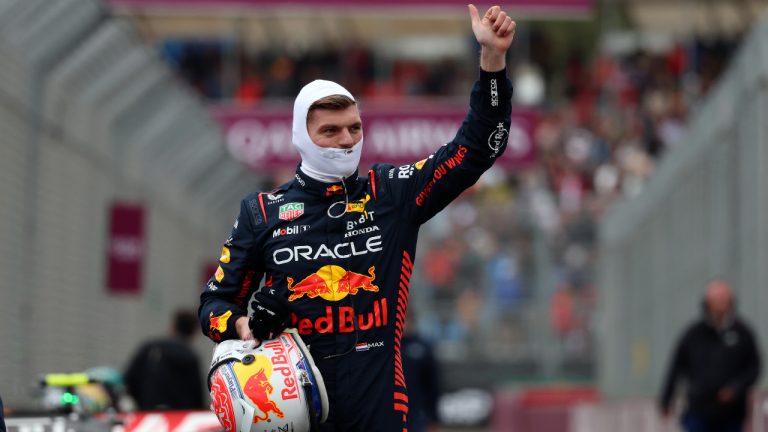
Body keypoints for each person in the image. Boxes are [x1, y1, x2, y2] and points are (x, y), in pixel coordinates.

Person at [198, 4, 515, 430]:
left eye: (354, 128)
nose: (346, 141)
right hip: (295, 406)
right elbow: (213, 304)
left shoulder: (391, 193)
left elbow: (476, 149)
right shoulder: (262, 212)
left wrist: (492, 62)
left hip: (381, 408)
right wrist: (245, 325)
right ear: (300, 136)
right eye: (330, 131)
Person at [659, 279, 761, 432]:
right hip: (699, 410)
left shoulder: (743, 333)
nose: (721, 303)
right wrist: (666, 400)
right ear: (707, 302)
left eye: (724, 299)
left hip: (732, 413)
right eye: (716, 299)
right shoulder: (693, 334)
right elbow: (676, 367)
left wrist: (736, 388)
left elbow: (754, 367)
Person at [124, 309, 205, 411]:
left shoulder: (150, 347)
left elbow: (129, 379)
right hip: (179, 418)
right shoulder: (191, 356)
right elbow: (197, 395)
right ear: (194, 331)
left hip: (147, 413)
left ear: (173, 326)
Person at [403, 313, 440, 432]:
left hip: (417, 411)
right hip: (391, 409)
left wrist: (434, 418)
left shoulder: (423, 347)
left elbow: (433, 384)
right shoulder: (386, 345)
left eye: (406, 320)